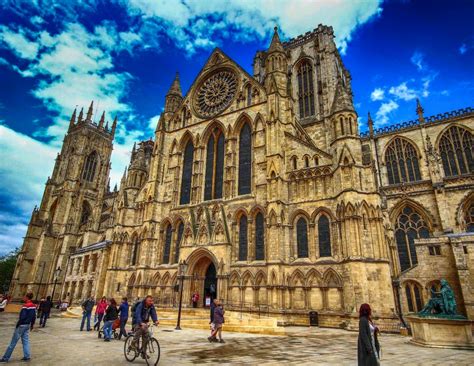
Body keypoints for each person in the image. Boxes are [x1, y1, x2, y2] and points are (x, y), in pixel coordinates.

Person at [0, 292, 36, 363]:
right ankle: (27, 356)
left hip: (22, 325)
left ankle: (5, 357)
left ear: (26, 297)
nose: (23, 298)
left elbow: (22, 317)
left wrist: (18, 324)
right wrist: (32, 325)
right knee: (25, 341)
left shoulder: (25, 305)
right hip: (27, 325)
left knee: (13, 342)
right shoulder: (33, 305)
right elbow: (34, 316)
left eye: (24, 296)